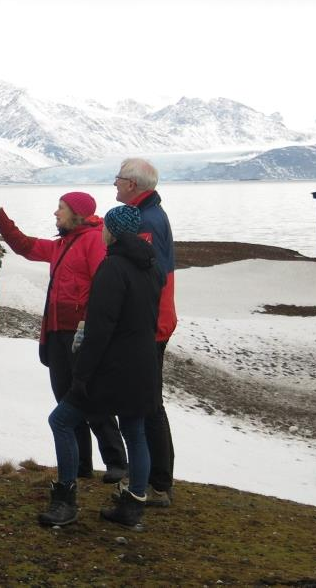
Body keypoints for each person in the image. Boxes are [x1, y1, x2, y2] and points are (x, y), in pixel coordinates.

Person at [0, 188, 128, 484]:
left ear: (77, 213)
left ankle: (117, 462)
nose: (56, 213)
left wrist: (89, 326)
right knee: (66, 400)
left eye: (61, 208)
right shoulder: (63, 244)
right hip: (58, 335)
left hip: (80, 335)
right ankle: (80, 464)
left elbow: (103, 287)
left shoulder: (94, 240)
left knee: (90, 398)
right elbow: (23, 245)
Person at [38, 205, 163, 529]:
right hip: (144, 366)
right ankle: (133, 503)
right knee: (134, 431)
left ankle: (65, 500)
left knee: (61, 421)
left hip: (111, 369)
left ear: (112, 231)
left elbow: (99, 329)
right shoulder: (151, 267)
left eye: (105, 227)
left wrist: (81, 375)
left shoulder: (112, 268)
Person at [114, 157, 176, 508]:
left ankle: (158, 483)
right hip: (152, 321)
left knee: (149, 403)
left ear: (133, 185)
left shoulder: (146, 221)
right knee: (146, 401)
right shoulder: (149, 215)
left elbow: (147, 277)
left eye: (119, 179)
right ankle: (152, 477)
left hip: (151, 324)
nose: (115, 185)